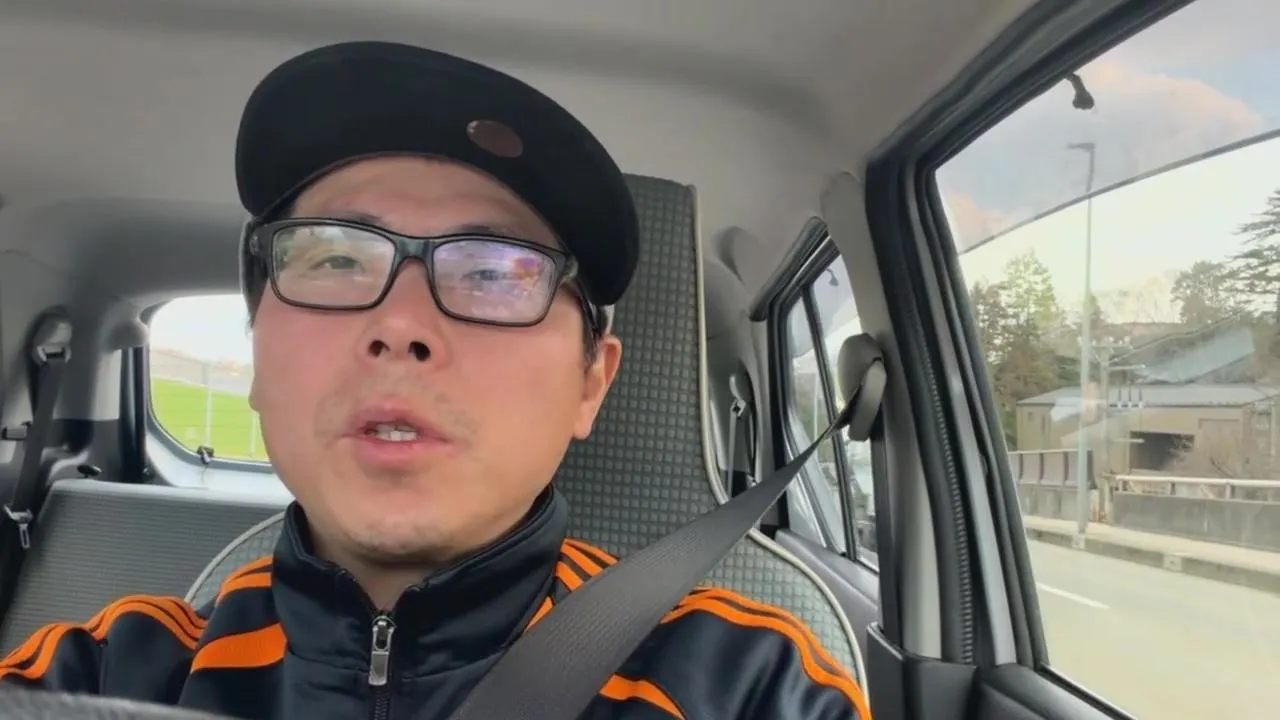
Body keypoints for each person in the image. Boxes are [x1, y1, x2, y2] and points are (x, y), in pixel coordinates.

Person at [0, 40, 870, 719]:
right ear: (260, 354)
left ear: (591, 384)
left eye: (495, 271)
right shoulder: (97, 675)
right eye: (336, 257)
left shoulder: (756, 687)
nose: (401, 326)